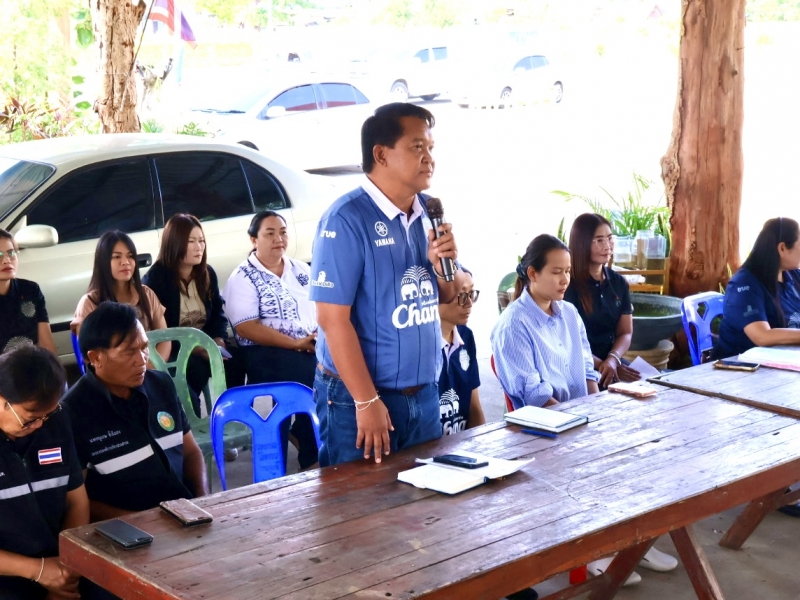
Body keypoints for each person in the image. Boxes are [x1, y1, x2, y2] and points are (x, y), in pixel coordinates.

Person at [310, 102, 459, 467]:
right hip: (359, 399)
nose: (429, 158)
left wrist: (443, 267)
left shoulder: (429, 211)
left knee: (424, 498)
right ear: (381, 154)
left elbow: (448, 297)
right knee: (361, 502)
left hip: (423, 393)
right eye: (417, 147)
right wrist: (366, 401)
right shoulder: (346, 219)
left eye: (431, 148)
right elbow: (332, 320)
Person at [63, 302, 208, 521]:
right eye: (129, 352)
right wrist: (144, 521)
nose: (142, 360)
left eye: (144, 347)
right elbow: (76, 500)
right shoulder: (72, 412)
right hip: (125, 528)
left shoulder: (161, 385)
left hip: (183, 513)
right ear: (95, 358)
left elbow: (191, 452)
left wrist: (202, 498)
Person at [222, 211, 319, 470]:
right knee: (312, 376)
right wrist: (295, 344)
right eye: (270, 233)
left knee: (332, 374)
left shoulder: (300, 269)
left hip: (307, 346)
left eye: (283, 232)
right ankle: (304, 457)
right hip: (265, 352)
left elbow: (319, 307)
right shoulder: (243, 276)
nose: (279, 239)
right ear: (254, 240)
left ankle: (311, 451)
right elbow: (246, 328)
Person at [0, 346, 89, 600]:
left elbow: (77, 502)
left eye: (47, 415)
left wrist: (66, 568)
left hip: (59, 567)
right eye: (30, 418)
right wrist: (38, 571)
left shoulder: (56, 422)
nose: (40, 425)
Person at [143, 214, 245, 415]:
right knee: (195, 369)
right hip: (174, 350)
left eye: (201, 241)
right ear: (175, 243)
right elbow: (161, 332)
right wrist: (197, 349)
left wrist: (219, 340)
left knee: (237, 361)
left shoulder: (206, 274)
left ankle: (231, 418)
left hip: (206, 345)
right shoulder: (155, 279)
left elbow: (218, 314)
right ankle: (192, 422)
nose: (199, 247)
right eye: (191, 241)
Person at [491, 234, 600, 408]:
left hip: (584, 414)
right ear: (533, 274)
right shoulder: (513, 325)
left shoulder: (570, 313)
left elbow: (587, 370)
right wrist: (575, 419)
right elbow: (535, 396)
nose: (565, 280)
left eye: (567, 271)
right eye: (557, 272)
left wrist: (597, 409)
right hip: (548, 420)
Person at [564, 213, 640, 387]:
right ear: (582, 243)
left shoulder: (618, 283)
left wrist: (613, 359)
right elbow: (566, 343)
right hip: (578, 365)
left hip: (612, 361)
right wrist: (602, 365)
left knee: (650, 386)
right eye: (599, 240)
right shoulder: (567, 286)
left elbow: (625, 333)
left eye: (610, 238)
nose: (607, 246)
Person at [72, 230, 170, 362]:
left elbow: (165, 338)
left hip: (149, 367)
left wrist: (151, 366)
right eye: (117, 257)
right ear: (103, 262)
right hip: (112, 372)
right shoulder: (90, 302)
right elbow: (89, 356)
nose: (125, 262)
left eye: (130, 256)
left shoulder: (146, 294)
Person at [715, 217, 800, 358]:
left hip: (785, 358)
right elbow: (762, 336)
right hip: (741, 365)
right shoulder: (744, 284)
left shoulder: (793, 274)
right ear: (782, 248)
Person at [438, 269, 485, 435]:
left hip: (463, 441)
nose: (469, 303)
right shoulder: (421, 345)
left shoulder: (466, 336)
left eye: (471, 294)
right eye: (460, 294)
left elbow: (475, 407)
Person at [0, 229, 56, 355]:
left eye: (11, 253)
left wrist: (50, 366)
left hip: (32, 364)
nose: (6, 260)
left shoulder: (30, 289)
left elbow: (46, 346)